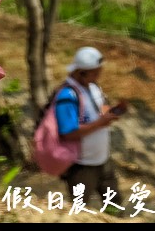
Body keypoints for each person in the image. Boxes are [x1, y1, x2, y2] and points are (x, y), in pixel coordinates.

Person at [54, 46, 126, 207]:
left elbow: (98, 111)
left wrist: (112, 112)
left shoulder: (93, 88)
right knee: (80, 210)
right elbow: (68, 132)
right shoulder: (67, 95)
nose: (98, 76)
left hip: (102, 161)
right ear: (81, 72)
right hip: (82, 166)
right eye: (94, 72)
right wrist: (100, 123)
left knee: (115, 206)